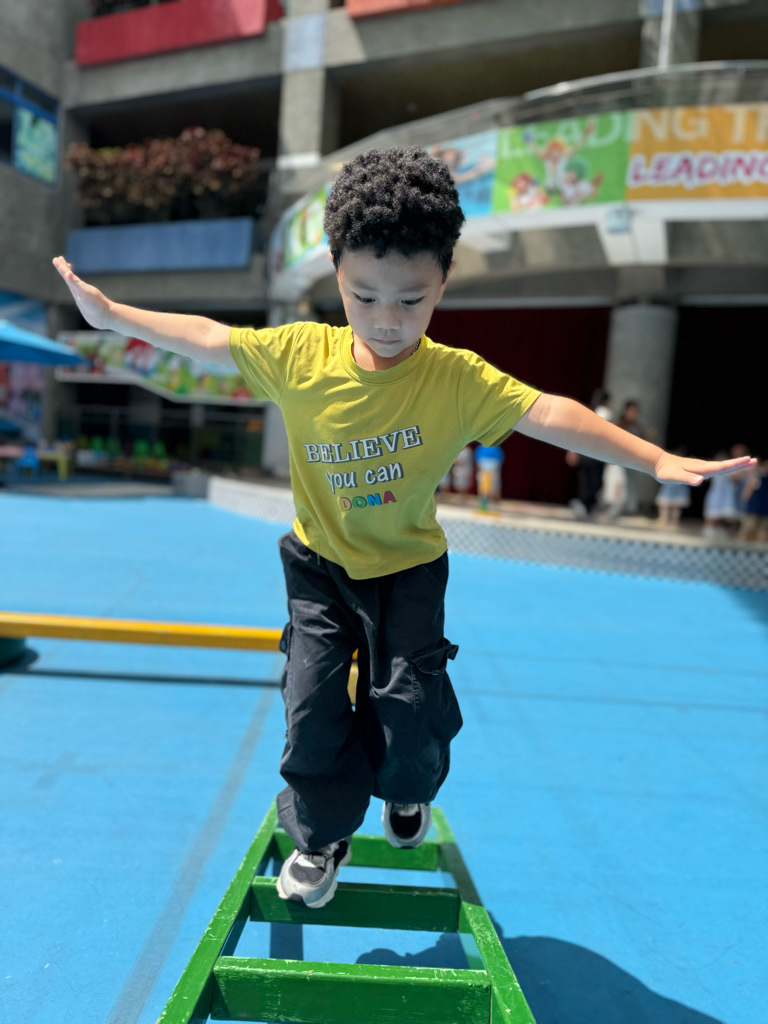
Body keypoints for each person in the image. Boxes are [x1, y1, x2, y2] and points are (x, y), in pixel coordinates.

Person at [53, 146, 755, 911]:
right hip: (320, 567)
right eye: (365, 297)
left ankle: (407, 788)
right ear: (336, 274)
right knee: (311, 704)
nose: (387, 321)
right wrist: (114, 316)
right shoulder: (299, 355)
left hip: (409, 571)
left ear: (443, 282)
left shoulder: (456, 379)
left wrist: (654, 458)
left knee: (408, 712)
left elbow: (549, 412)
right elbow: (210, 338)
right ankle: (322, 837)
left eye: (412, 300)